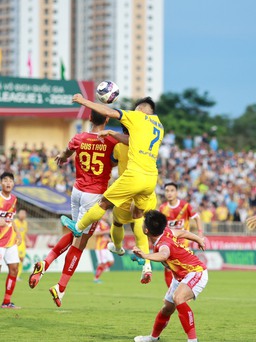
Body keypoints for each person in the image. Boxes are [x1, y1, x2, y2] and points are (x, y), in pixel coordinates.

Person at [60, 95, 164, 302]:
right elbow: (131, 139)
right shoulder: (158, 124)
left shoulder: (137, 117)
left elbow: (108, 112)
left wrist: (83, 101)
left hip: (133, 176)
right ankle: (146, 264)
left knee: (105, 204)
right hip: (151, 179)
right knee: (138, 217)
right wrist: (111, 133)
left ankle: (78, 227)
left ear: (140, 111)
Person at [28, 111, 124, 304]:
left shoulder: (79, 138)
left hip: (77, 191)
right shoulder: (112, 141)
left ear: (89, 119)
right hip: (94, 195)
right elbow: (122, 151)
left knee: (75, 233)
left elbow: (65, 153)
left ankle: (45, 264)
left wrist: (62, 158)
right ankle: (60, 287)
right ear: (107, 119)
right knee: (79, 243)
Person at [132, 210, 208, 342]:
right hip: (180, 276)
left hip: (195, 272)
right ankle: (153, 337)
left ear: (146, 230)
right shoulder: (166, 231)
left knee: (178, 298)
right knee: (167, 308)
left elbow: (164, 255)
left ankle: (192, 340)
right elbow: (183, 232)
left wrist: (144, 255)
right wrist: (198, 239)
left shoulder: (163, 245)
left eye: (144, 223)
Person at [97, 125, 156, 284]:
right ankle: (147, 266)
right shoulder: (147, 144)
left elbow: (113, 162)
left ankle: (117, 246)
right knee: (139, 220)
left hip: (127, 189)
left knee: (117, 221)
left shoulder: (119, 146)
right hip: (146, 187)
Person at [159, 182, 203, 287]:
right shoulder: (162, 208)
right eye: (167, 191)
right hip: (169, 243)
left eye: (172, 190)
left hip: (183, 244)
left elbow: (197, 217)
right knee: (169, 268)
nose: (169, 193)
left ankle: (182, 294)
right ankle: (172, 293)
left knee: (184, 269)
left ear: (176, 192)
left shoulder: (185, 206)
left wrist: (200, 234)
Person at [0, 171, 22, 309]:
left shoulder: (14, 199)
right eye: (5, 180)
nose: (8, 183)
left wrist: (18, 233)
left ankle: (7, 302)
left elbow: (11, 218)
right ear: (1, 183)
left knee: (14, 269)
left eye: (11, 181)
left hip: (11, 240)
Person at [93, 214, 114, 283]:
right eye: (105, 214)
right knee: (102, 263)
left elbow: (105, 236)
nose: (106, 215)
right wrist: (106, 232)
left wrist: (109, 239)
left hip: (106, 246)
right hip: (100, 247)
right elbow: (95, 234)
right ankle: (96, 278)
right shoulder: (99, 224)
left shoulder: (107, 225)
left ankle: (98, 270)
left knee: (111, 261)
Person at [14, 209, 31, 280]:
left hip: (23, 243)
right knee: (18, 259)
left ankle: (17, 275)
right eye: (21, 213)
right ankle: (15, 275)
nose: (23, 215)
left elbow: (25, 233)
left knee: (22, 259)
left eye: (24, 214)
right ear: (18, 214)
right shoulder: (15, 222)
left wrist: (28, 241)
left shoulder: (25, 223)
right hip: (16, 242)